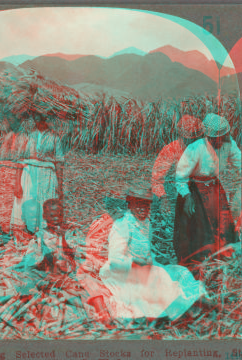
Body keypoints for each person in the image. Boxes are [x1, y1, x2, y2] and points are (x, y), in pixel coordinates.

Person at [99, 185, 208, 323]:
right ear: (129, 203)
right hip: (124, 272)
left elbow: (149, 254)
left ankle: (188, 306)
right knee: (158, 278)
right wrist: (139, 264)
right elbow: (115, 260)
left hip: (145, 268)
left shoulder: (146, 223)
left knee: (179, 271)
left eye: (146, 204)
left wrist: (157, 264)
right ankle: (169, 313)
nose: (142, 208)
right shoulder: (122, 225)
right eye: (138, 204)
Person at [174, 113, 241, 268]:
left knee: (223, 222)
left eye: (224, 136)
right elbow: (181, 176)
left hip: (215, 187)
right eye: (218, 138)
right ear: (209, 138)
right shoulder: (195, 149)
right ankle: (196, 262)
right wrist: (187, 196)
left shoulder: (228, 144)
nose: (222, 140)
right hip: (193, 190)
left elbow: (239, 162)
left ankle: (223, 257)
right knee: (197, 226)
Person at [151, 115, 205, 264]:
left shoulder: (203, 148)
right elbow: (157, 178)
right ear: (180, 135)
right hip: (179, 192)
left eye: (195, 138)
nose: (192, 141)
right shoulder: (171, 149)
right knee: (182, 232)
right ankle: (184, 261)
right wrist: (163, 198)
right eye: (188, 138)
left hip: (199, 190)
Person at [77, 195, 127, 326]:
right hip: (99, 266)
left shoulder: (125, 224)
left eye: (123, 207)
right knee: (91, 280)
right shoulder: (100, 224)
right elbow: (93, 250)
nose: (121, 211)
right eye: (117, 207)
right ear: (111, 208)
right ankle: (102, 311)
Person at [11, 113, 65, 232]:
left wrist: (60, 185)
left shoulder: (55, 138)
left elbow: (60, 162)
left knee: (45, 201)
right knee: (28, 200)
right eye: (37, 119)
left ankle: (43, 231)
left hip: (47, 175)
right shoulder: (28, 137)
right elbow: (19, 160)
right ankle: (27, 230)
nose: (40, 122)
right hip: (29, 174)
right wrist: (17, 183)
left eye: (43, 119)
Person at [0, 116, 28, 234]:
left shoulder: (24, 138)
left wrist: (18, 183)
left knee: (9, 204)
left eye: (13, 120)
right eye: (8, 120)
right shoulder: (2, 137)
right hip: (0, 175)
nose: (9, 123)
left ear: (20, 121)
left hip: (13, 175)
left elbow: (21, 162)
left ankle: (6, 231)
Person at [20, 199, 75, 274]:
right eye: (52, 215)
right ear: (44, 216)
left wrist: (62, 236)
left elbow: (75, 256)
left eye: (60, 215)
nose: (57, 218)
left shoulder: (70, 234)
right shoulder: (39, 237)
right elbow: (30, 265)